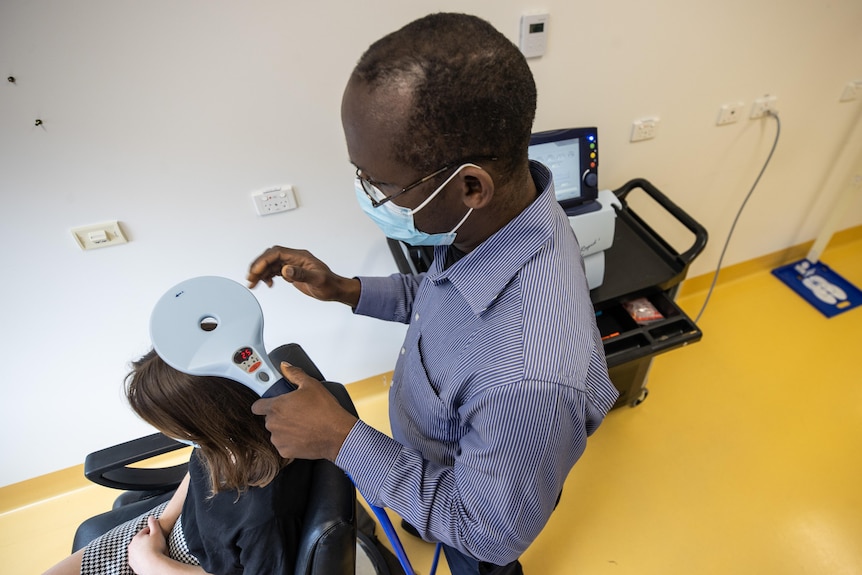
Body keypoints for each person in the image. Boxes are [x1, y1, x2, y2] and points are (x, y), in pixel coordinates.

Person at [247, 12, 619, 575]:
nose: (369, 195)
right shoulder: (519, 217)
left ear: (471, 186)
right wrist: (345, 289)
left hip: (482, 512)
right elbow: (444, 296)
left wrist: (343, 440)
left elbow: (488, 530)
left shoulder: (529, 381)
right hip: (443, 456)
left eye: (382, 184)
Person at [44, 349, 313, 575]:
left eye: (173, 428)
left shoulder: (265, 518)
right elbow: (198, 470)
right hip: (174, 533)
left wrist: (154, 564)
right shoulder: (230, 439)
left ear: (208, 422)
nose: (169, 435)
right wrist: (164, 520)